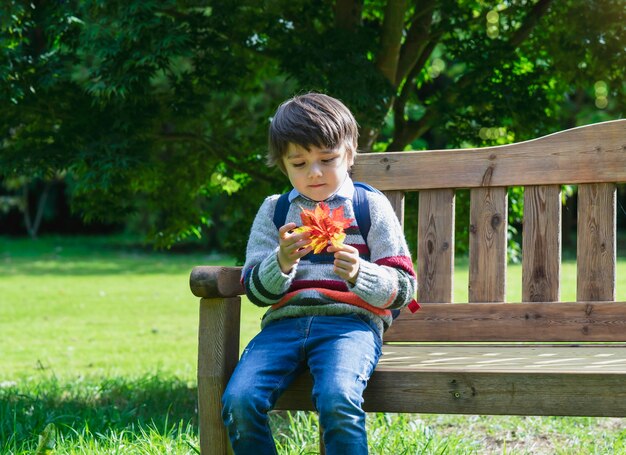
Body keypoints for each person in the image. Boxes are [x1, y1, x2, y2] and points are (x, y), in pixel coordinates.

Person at [221, 92, 417, 454]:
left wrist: (361, 273)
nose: (314, 172)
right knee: (240, 399)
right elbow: (255, 291)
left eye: (327, 159)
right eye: (299, 163)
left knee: (337, 397)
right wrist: (279, 263)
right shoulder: (275, 212)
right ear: (283, 165)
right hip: (283, 327)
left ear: (349, 154)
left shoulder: (368, 205)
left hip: (351, 326)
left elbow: (404, 287)